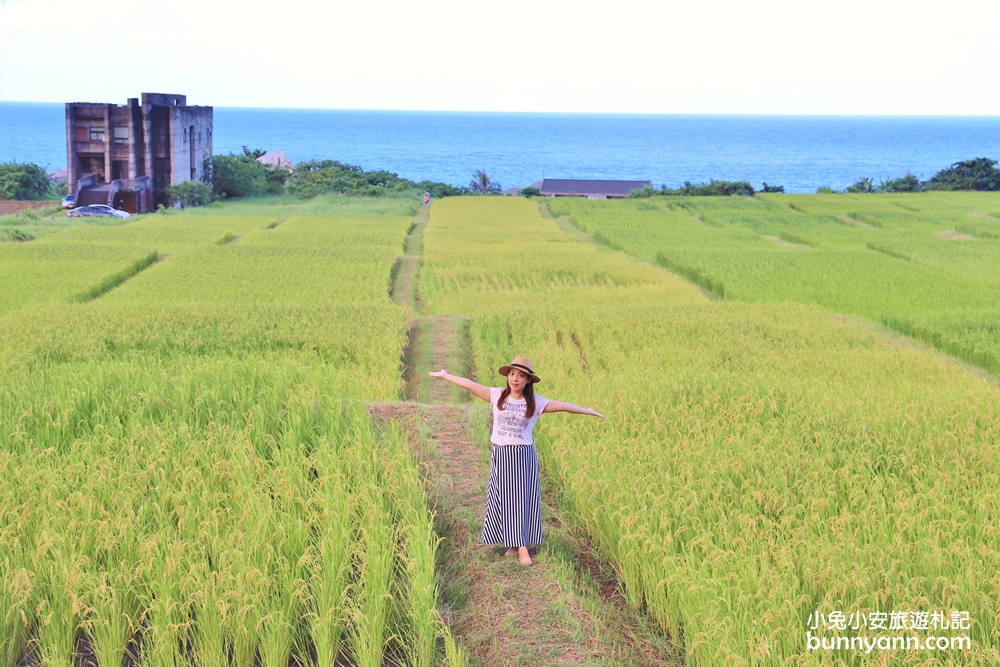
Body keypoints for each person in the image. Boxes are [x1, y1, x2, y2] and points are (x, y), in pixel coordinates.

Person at [428, 356, 603, 565]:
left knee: (520, 500)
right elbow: (470, 384)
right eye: (512, 374)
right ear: (508, 376)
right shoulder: (497, 395)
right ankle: (512, 545)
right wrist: (446, 376)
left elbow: (563, 405)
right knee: (505, 499)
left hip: (522, 457)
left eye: (521, 375)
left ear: (528, 380)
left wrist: (587, 410)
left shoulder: (536, 402)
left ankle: (522, 548)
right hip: (501, 455)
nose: (515, 379)